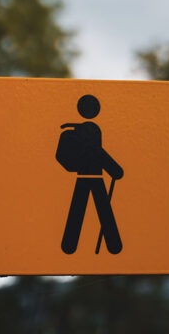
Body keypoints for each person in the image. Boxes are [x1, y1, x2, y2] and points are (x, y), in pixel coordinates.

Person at [57, 94, 123, 254]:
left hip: (84, 177)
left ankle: (69, 246)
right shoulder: (91, 130)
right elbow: (99, 153)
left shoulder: (83, 130)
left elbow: (97, 152)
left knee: (81, 209)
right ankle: (113, 246)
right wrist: (115, 170)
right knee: (100, 209)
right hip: (94, 177)